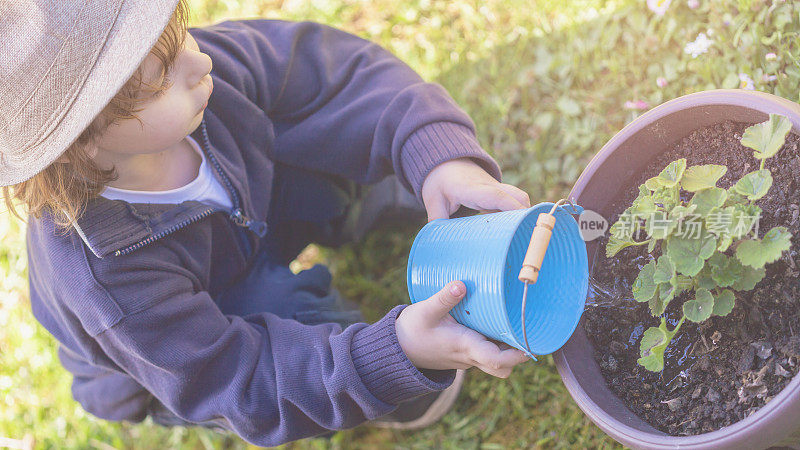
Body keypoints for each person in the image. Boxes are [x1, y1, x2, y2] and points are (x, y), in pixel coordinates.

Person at [0, 0, 532, 446]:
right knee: (299, 324)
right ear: (84, 141)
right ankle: (369, 373)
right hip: (192, 332)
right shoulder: (106, 276)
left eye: (178, 33)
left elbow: (341, 77)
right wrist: (393, 358)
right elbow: (243, 380)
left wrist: (435, 153)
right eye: (162, 75)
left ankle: (365, 210)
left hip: (252, 217)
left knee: (362, 156)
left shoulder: (207, 75)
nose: (198, 60)